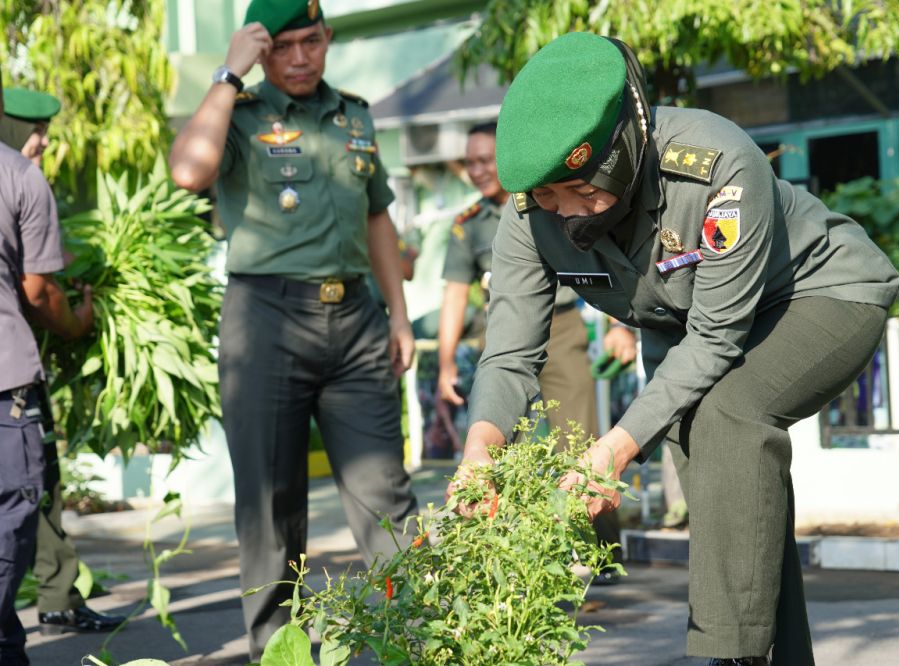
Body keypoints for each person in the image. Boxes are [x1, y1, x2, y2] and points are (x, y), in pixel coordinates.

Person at [449, 32, 899, 665]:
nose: (569, 214)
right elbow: (509, 355)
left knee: (726, 417)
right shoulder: (529, 213)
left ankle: (729, 656)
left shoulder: (717, 164)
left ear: (625, 145)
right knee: (731, 494)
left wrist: (612, 451)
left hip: (818, 294)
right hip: (689, 329)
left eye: (583, 190)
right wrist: (479, 452)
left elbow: (717, 337)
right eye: (550, 198)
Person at [168, 0, 418, 657]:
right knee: (271, 509)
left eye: (312, 41)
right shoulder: (239, 115)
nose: (301, 57)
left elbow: (378, 218)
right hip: (266, 323)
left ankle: (424, 640)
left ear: (328, 38)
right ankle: (278, 653)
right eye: (283, 46)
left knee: (386, 500)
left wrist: (398, 315)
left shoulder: (353, 114)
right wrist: (227, 74)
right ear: (259, 49)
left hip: (358, 323)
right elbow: (188, 171)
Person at [437, 121, 632, 583]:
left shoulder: (563, 196)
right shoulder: (468, 225)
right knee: (501, 447)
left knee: (579, 441)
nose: (480, 170)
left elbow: (612, 263)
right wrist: (445, 361)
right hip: (503, 340)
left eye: (487, 159)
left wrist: (619, 326)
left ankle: (603, 557)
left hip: (562, 328)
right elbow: (453, 294)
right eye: (471, 162)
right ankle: (515, 560)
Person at [0, 86, 126, 638]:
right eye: (36, 130)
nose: (45, 141)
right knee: (20, 498)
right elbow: (38, 290)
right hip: (11, 377)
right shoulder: (20, 180)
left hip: (20, 369)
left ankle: (57, 593)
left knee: (38, 483)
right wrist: (77, 322)